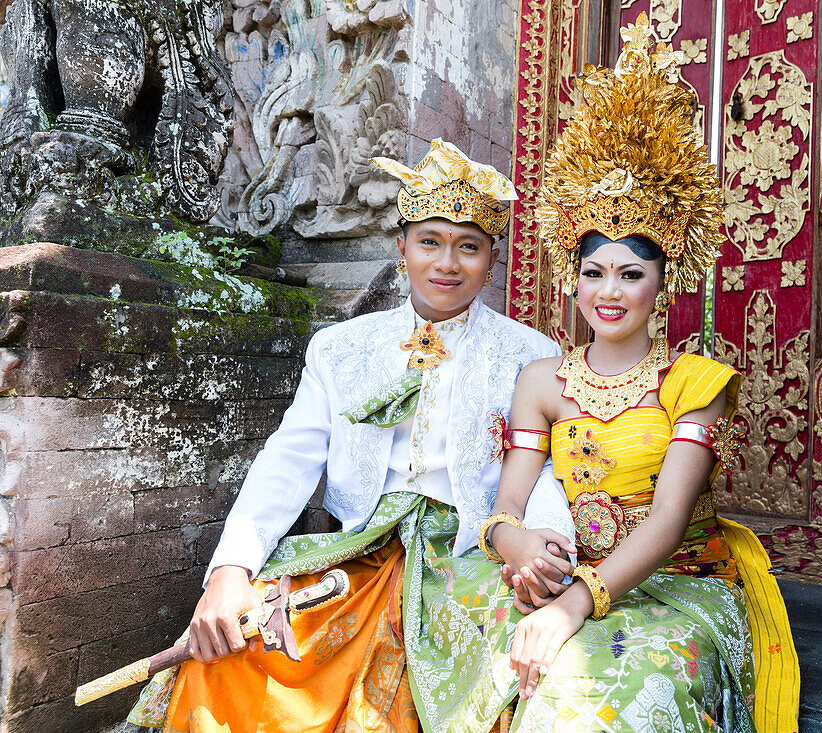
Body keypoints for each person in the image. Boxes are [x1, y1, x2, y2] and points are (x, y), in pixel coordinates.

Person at [405, 14, 801, 733]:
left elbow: (670, 521)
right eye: (592, 272)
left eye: (630, 272)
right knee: (438, 627)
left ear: (663, 281)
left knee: (581, 701)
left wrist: (573, 605)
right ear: (571, 279)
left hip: (672, 585)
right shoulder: (541, 380)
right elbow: (509, 502)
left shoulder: (695, 383)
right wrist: (513, 543)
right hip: (558, 577)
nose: (608, 291)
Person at [127, 139, 576, 732]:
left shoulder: (532, 355)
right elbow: (289, 459)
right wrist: (230, 570)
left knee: (504, 678)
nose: (447, 263)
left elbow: (541, 465)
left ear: (493, 260)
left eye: (469, 247)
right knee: (239, 651)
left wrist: (541, 545)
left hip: (474, 549)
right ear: (402, 248)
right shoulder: (341, 349)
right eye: (430, 242)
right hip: (357, 548)